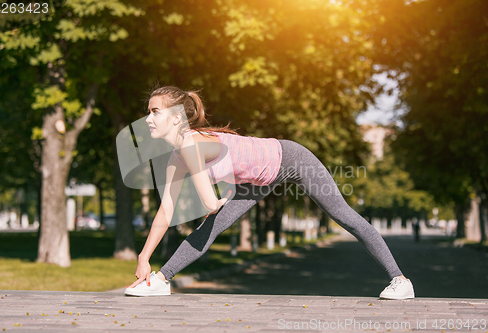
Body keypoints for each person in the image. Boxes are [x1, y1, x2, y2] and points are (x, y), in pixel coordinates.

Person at [124, 86, 415, 299]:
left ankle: (400, 280)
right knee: (210, 228)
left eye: (154, 112)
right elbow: (166, 210)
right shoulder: (176, 158)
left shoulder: (190, 145)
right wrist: (143, 256)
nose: (148, 118)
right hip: (255, 180)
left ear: (176, 118)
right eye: (147, 112)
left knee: (343, 215)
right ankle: (161, 279)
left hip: (290, 158)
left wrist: (220, 200)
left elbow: (210, 201)